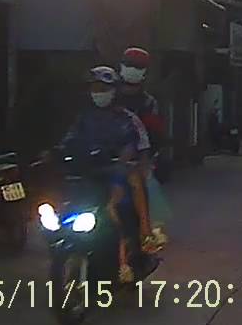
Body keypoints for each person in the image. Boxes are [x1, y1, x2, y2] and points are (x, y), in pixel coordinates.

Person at [58, 66, 148, 281]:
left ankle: (142, 237)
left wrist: (122, 163)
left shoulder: (127, 119)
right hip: (87, 175)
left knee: (122, 199)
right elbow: (69, 141)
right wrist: (57, 153)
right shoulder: (83, 118)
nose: (98, 93)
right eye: (95, 88)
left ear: (114, 90)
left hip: (116, 174)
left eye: (103, 88)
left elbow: (134, 147)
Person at [115, 46, 168, 253]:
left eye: (137, 66)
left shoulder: (148, 103)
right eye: (129, 64)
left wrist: (144, 157)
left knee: (142, 185)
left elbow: (154, 135)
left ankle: (147, 231)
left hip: (136, 159)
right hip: (104, 157)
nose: (132, 69)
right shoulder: (110, 97)